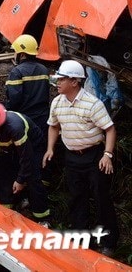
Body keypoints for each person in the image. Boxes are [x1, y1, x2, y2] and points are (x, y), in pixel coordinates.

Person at [43, 60, 118, 255]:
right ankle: (81, 240)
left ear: (75, 82)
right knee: (77, 198)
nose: (57, 82)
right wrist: (50, 148)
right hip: (72, 158)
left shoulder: (92, 104)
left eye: (62, 79)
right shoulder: (57, 102)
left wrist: (107, 155)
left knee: (101, 198)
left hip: (94, 157)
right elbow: (53, 125)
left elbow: (109, 129)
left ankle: (108, 242)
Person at [0, 102, 51, 225]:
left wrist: (21, 180)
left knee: (32, 177)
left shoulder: (15, 127)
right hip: (13, 149)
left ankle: (42, 218)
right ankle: (8, 207)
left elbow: (26, 157)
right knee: (3, 173)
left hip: (33, 148)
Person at [5, 34, 50, 139]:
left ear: (22, 54)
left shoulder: (17, 72)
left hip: (25, 119)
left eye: (15, 51)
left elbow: (14, 100)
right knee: (41, 147)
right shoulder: (44, 70)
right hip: (43, 118)